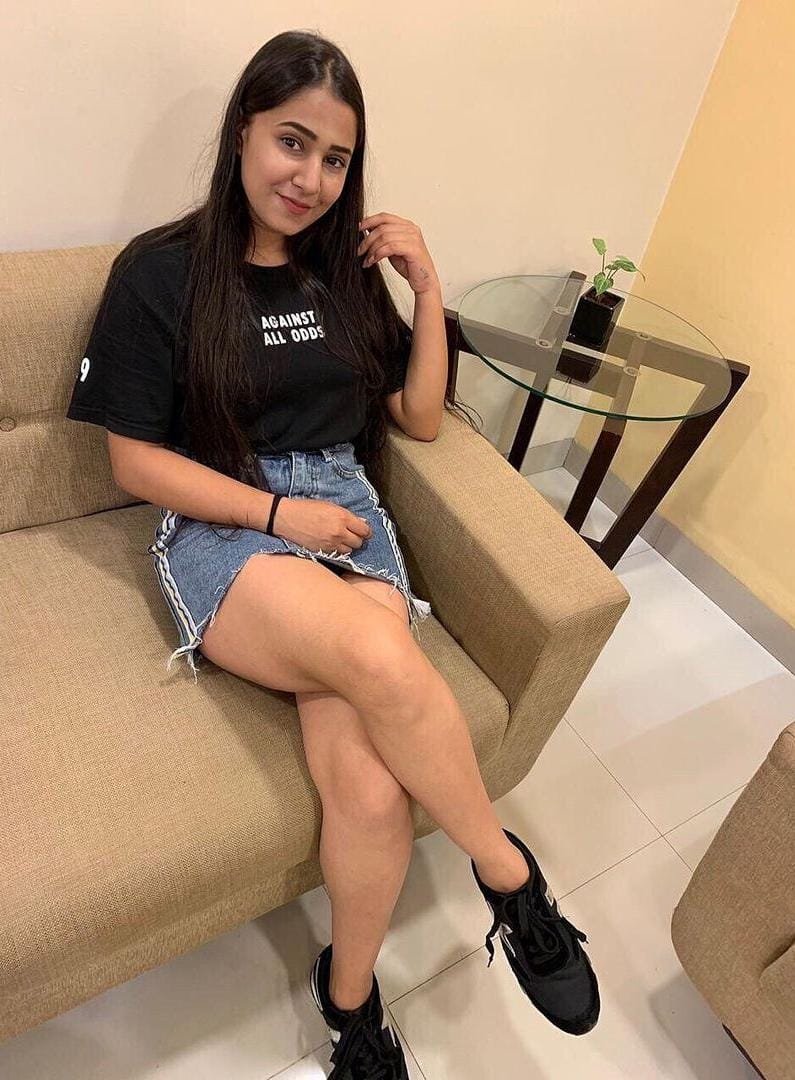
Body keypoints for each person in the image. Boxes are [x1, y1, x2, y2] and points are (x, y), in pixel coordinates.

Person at [65, 30, 600, 1079]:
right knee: (379, 652)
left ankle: (350, 1006)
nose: (310, 177)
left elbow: (420, 417)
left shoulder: (342, 273)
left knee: (368, 788)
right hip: (228, 520)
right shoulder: (160, 273)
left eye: (335, 158)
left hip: (347, 511)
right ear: (242, 132)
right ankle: (509, 876)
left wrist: (427, 288)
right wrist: (279, 518)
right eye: (292, 142)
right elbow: (134, 461)